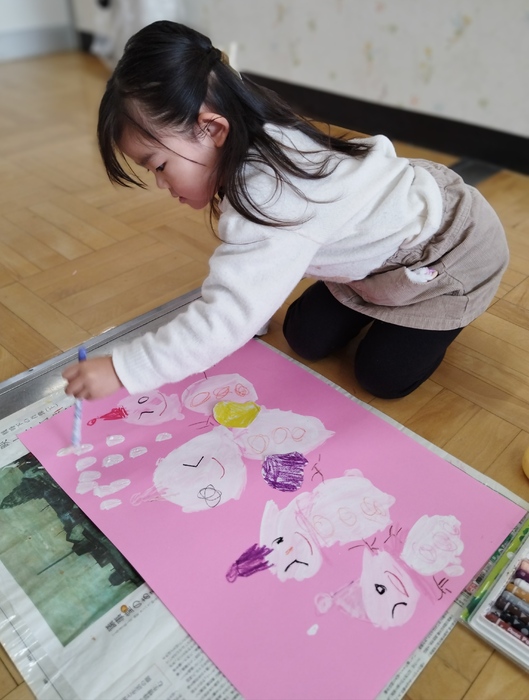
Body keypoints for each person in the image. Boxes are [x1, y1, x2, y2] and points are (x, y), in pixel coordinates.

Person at [63, 20, 509, 402]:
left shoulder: (270, 193)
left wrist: (123, 369)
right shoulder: (251, 131)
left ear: (212, 129)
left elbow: (225, 318)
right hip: (378, 252)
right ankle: (375, 300)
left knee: (381, 377)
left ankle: (450, 314)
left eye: (160, 166)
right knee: (304, 337)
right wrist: (250, 306)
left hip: (449, 255)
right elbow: (256, 268)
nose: (161, 184)